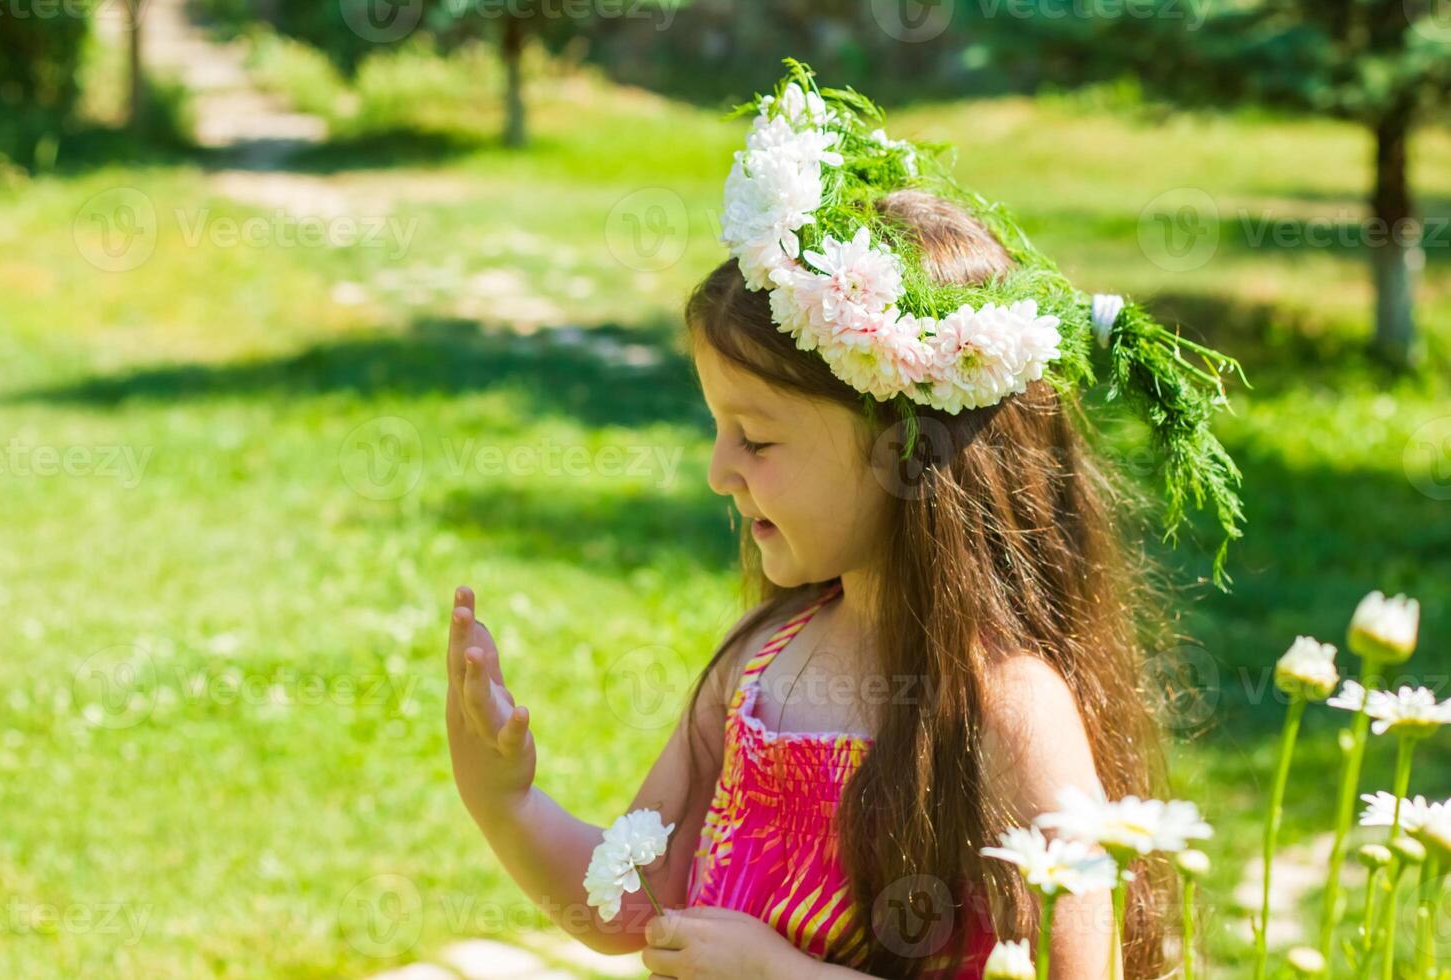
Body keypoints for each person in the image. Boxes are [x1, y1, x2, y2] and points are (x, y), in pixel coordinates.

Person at [445, 59, 1246, 980]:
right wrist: (505, 803)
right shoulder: (756, 670)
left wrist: (778, 973)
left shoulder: (1007, 711)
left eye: (757, 439)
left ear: (907, 458)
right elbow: (634, 903)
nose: (718, 472)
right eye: (719, 431)